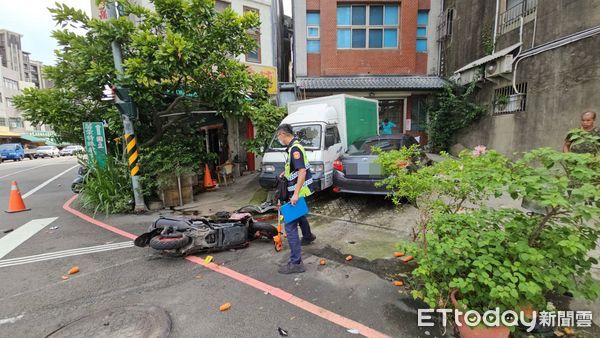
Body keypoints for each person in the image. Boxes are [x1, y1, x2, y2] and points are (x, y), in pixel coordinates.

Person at [276, 124, 316, 274]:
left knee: (290, 226)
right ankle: (308, 236)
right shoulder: (295, 146)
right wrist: (284, 174)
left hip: (298, 191)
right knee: (299, 215)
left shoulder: (295, 149)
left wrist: (295, 194)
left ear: (282, 134)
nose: (279, 139)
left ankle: (296, 263)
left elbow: (302, 171)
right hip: (299, 190)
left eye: (278, 136)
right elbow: (293, 168)